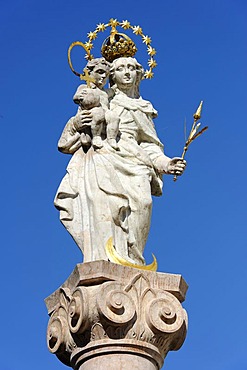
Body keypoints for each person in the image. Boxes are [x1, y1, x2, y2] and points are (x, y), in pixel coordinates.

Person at [54, 56, 186, 265]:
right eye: (121, 68)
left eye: (131, 68)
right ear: (111, 75)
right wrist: (78, 123)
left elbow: (149, 144)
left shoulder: (142, 107)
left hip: (135, 161)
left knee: (144, 202)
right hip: (103, 157)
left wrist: (166, 163)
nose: (127, 72)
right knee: (103, 209)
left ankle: (133, 259)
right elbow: (75, 127)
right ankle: (104, 259)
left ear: (139, 74)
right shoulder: (101, 97)